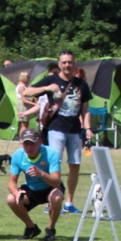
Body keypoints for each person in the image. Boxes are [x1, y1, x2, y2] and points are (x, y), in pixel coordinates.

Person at [25, 51, 93, 213]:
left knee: (75, 166)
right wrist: (47, 88)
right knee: (55, 165)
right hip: (56, 129)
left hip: (75, 131)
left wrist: (88, 128)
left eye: (70, 62)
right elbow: (26, 92)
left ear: (74, 63)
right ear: (59, 64)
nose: (67, 65)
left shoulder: (81, 84)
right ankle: (52, 201)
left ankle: (69, 202)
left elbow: (85, 110)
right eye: (64, 62)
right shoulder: (51, 80)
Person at [6, 129, 63, 241]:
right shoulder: (18, 155)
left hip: (50, 188)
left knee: (56, 197)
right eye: (26, 144)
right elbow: (11, 181)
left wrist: (41, 174)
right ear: (21, 144)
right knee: (11, 199)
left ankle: (50, 228)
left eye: (32, 143)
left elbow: (57, 182)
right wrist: (16, 193)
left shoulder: (51, 153)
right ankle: (31, 227)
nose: (29, 147)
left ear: (40, 142)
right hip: (32, 190)